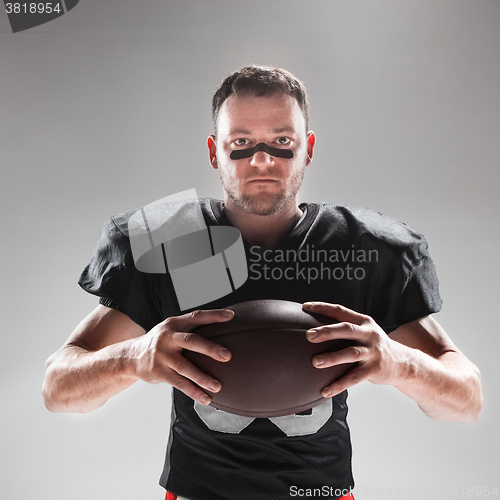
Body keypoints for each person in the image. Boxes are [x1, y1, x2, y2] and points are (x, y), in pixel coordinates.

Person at [42, 65, 483, 500]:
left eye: (282, 141)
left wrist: (400, 363)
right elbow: (59, 389)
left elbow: (467, 399)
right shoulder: (179, 239)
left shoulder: (359, 247)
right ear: (215, 152)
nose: (261, 159)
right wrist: (133, 357)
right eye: (242, 142)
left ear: (308, 148)